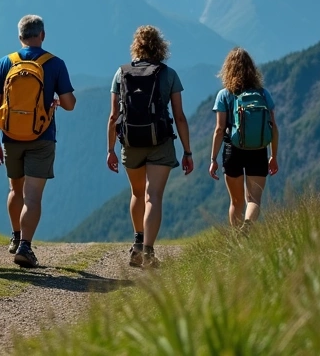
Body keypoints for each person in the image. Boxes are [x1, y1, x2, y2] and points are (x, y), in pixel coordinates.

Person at [0, 15, 75, 268]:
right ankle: (26, 246)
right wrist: (57, 101)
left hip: (11, 137)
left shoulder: (6, 63)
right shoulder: (55, 64)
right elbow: (69, 104)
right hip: (42, 137)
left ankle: (15, 237)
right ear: (42, 35)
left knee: (15, 190)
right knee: (33, 195)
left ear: (20, 37)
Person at [105, 26, 194, 269]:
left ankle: (137, 243)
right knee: (153, 195)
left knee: (136, 193)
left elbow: (114, 117)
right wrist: (187, 151)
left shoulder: (120, 73)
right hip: (160, 142)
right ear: (160, 46)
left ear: (136, 46)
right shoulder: (169, 74)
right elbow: (180, 117)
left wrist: (110, 149)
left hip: (131, 142)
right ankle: (148, 251)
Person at [209, 47, 279, 232]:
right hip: (258, 150)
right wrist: (274, 156)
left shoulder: (224, 95)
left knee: (236, 201)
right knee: (254, 200)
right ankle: (247, 227)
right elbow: (273, 127)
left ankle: (237, 242)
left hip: (233, 150)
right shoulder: (263, 94)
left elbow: (219, 129)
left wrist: (213, 159)